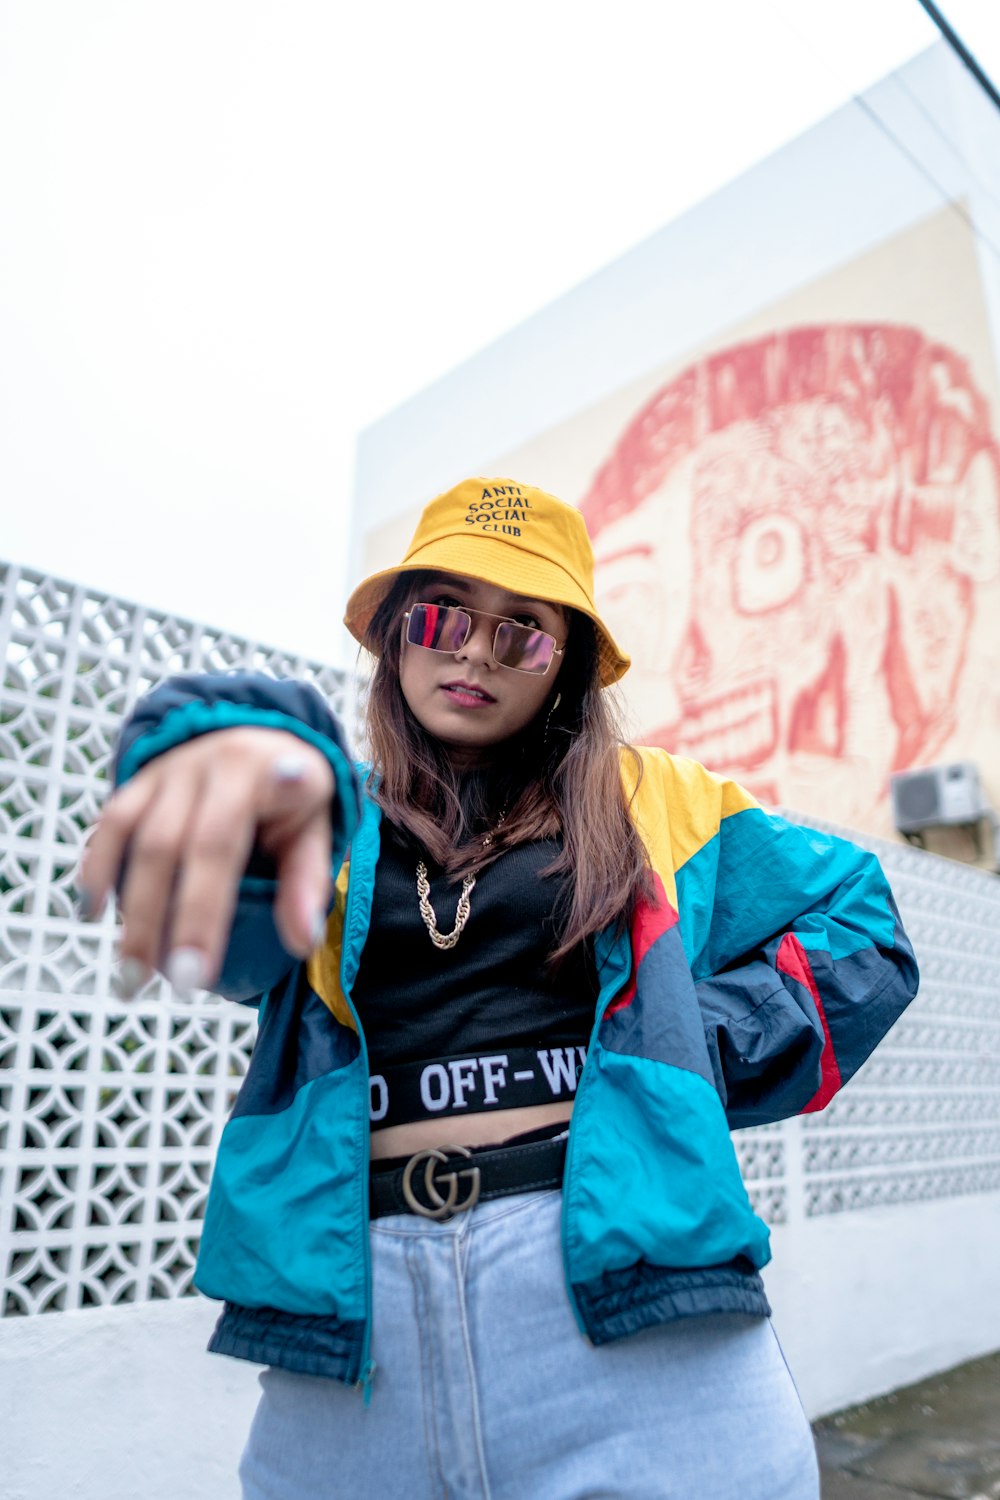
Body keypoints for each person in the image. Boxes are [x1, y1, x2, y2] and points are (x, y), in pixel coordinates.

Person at [78, 476, 919, 1500]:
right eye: (440, 617)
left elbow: (861, 927)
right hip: (352, 1324)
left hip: (625, 1300)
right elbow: (238, 939)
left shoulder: (655, 804)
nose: (474, 651)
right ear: (393, 637)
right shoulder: (329, 820)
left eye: (521, 633)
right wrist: (220, 743)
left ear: (562, 670)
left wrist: (677, 1053)